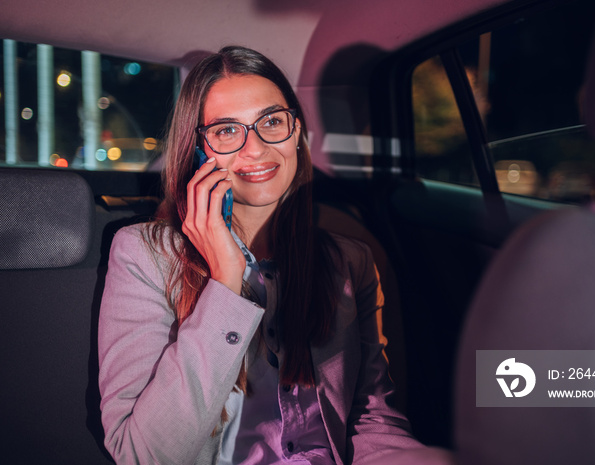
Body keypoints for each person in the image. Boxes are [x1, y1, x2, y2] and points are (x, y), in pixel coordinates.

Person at [98, 45, 437, 465]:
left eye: (271, 122)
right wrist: (225, 280)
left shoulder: (350, 261)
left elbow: (372, 420)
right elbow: (143, 456)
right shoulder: (144, 255)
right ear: (198, 151)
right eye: (226, 130)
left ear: (296, 132)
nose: (254, 149)